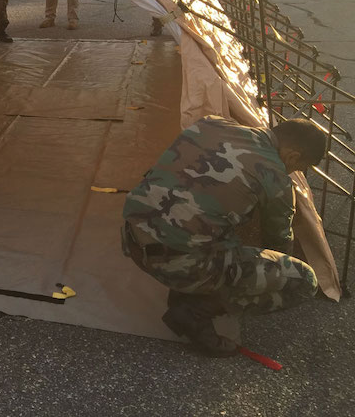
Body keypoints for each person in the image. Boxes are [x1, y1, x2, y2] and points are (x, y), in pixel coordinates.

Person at [122, 116, 326, 357]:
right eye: (299, 168)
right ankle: (194, 310)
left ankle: (190, 281)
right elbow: (278, 242)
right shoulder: (277, 180)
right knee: (304, 281)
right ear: (293, 156)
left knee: (218, 226)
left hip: (133, 241)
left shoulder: (213, 124)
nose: (295, 173)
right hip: (174, 263)